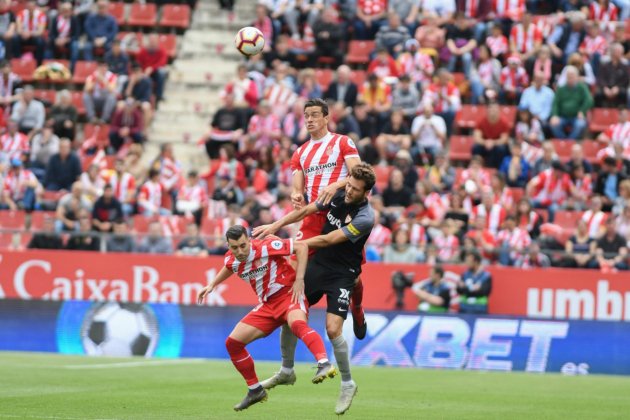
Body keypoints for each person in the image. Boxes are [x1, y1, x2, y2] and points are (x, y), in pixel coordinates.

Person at [253, 163, 376, 415]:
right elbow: (307, 210)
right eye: (348, 185)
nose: (349, 191)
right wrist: (275, 225)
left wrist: (287, 245)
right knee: (290, 312)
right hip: (318, 264)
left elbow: (328, 239)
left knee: (332, 329)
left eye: (355, 189)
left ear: (366, 193)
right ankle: (287, 371)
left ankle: (347, 383)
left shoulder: (365, 217)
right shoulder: (339, 193)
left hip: (343, 273)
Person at [197, 225, 335, 411]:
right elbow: (229, 266)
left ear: (249, 240)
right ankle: (255, 390)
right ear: (228, 246)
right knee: (233, 343)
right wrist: (212, 284)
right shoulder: (232, 259)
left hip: (289, 295)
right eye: (234, 247)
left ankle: (324, 363)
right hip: (268, 306)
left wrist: (299, 280)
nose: (240, 251)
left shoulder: (266, 245)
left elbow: (301, 247)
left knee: (297, 324)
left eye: (243, 245)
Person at [287, 98, 364, 335]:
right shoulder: (300, 152)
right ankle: (296, 316)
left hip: (342, 214)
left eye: (314, 115)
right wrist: (297, 195)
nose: (309, 120)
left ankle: (357, 308)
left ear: (326, 117)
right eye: (306, 116)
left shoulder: (342, 142)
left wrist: (336, 186)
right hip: (314, 216)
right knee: (293, 264)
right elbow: (297, 184)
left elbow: (359, 174)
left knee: (354, 277)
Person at [549, 65, 593, 140]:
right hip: (563, 116)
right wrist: (555, 115)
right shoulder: (561, 89)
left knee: (580, 124)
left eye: (572, 77)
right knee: (553, 124)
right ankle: (563, 140)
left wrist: (582, 111)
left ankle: (570, 141)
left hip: (576, 117)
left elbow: (589, 100)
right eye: (568, 77)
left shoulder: (582, 87)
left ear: (577, 77)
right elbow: (555, 103)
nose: (570, 79)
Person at [471, 102, 510, 169]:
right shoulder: (481, 121)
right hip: (484, 145)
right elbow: (477, 138)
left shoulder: (504, 123)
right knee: (476, 147)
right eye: (491, 110)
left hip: (496, 146)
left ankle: (498, 169)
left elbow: (504, 139)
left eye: (495, 110)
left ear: (498, 111)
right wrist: (485, 142)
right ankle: (476, 167)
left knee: (501, 149)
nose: (493, 112)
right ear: (487, 111)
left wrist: (493, 143)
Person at [136, 33, 168, 103]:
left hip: (156, 73)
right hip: (144, 72)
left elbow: (162, 62)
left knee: (162, 72)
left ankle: (159, 95)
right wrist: (142, 72)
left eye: (154, 41)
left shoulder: (161, 50)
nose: (152, 43)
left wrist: (152, 68)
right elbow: (138, 63)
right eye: (151, 41)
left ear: (157, 41)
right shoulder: (143, 51)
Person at [83, 59, 117, 123]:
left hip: (106, 101)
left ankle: (104, 119)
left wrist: (103, 80)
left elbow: (112, 90)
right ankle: (92, 118)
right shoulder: (92, 76)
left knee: (112, 97)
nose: (103, 68)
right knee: (86, 96)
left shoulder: (111, 76)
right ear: (98, 67)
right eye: (101, 66)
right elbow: (87, 89)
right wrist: (96, 81)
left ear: (107, 67)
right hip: (95, 100)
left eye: (104, 66)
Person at [12, 0, 46, 64]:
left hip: (34, 36)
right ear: (26, 7)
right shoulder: (21, 14)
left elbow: (40, 32)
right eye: (29, 7)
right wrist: (24, 33)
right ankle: (17, 60)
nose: (30, 8)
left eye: (32, 7)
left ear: (35, 7)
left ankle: (38, 62)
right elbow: (18, 30)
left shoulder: (41, 15)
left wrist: (30, 33)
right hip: (23, 36)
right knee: (15, 38)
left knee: (41, 42)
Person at [596, 43, 629, 107]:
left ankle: (622, 110)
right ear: (612, 52)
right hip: (606, 88)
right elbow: (600, 78)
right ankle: (600, 112)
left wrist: (618, 88)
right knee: (598, 95)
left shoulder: (625, 67)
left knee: (624, 94)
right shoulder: (604, 65)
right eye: (618, 51)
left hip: (619, 88)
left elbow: (626, 80)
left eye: (621, 52)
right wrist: (605, 88)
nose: (620, 53)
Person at [48, 2, 79, 68]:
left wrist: (67, 40)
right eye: (64, 10)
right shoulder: (55, 19)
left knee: (75, 45)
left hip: (68, 41)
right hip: (57, 41)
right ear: (61, 10)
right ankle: (49, 67)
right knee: (48, 44)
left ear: (71, 11)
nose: (66, 12)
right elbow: (51, 34)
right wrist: (56, 40)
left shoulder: (74, 20)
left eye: (68, 10)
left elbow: (76, 35)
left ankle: (72, 68)